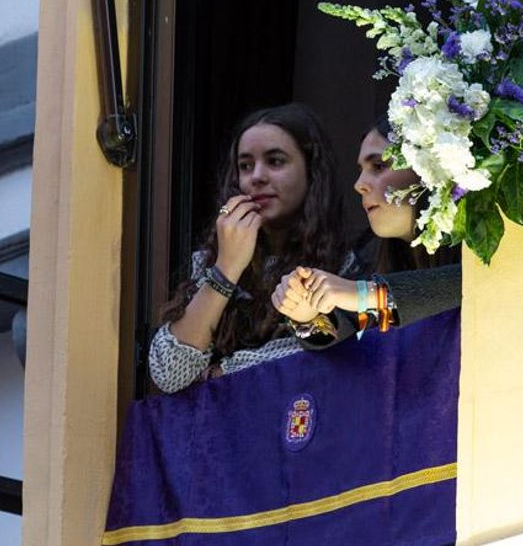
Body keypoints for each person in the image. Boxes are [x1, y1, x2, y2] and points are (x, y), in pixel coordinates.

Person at [148, 104, 352, 392]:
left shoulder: (345, 265)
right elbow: (169, 373)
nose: (257, 176)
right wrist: (227, 268)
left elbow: (329, 353)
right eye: (245, 166)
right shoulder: (210, 261)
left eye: (275, 161)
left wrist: (227, 370)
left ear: (312, 172)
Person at [272, 117, 461, 342]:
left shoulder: (491, 254)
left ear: (430, 169)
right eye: (362, 169)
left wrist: (367, 294)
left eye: (379, 166)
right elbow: (344, 341)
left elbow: (468, 284)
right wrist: (307, 315)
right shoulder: (372, 260)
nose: (359, 184)